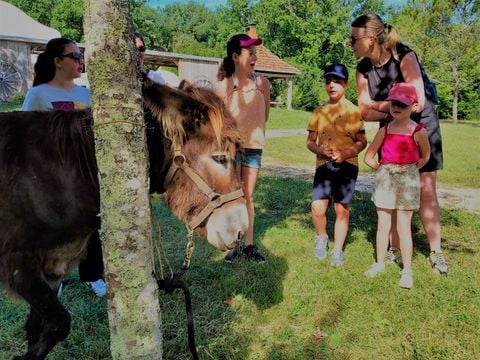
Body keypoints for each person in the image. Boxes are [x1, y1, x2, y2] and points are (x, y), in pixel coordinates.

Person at [349, 13, 448, 275]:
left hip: (420, 129)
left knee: (426, 190)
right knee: (390, 191)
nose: (350, 44)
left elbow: (419, 101)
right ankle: (392, 250)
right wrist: (397, 108)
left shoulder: (403, 54)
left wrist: (382, 106)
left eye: (353, 38)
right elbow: (364, 110)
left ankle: (436, 252)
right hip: (390, 131)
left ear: (371, 39)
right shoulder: (362, 70)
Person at [22, 38, 106, 297]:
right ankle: (54, 278)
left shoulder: (86, 95)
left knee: (90, 225)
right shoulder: (38, 95)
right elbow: (24, 133)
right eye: (75, 56)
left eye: (81, 56)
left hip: (84, 174)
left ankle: (93, 275)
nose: (81, 61)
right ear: (58, 61)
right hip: (52, 176)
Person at [364, 83, 430, 289]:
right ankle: (379, 263)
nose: (397, 106)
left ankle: (407, 271)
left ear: (414, 105)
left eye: (402, 103)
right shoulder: (385, 130)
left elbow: (425, 156)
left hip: (408, 179)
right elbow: (368, 156)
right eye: (393, 102)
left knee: (403, 226)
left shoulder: (419, 131)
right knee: (383, 224)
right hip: (386, 178)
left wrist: (409, 170)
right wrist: (382, 168)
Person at [216, 33, 270, 263]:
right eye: (250, 53)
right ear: (235, 56)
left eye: (256, 53)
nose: (254, 57)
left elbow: (264, 115)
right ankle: (233, 245)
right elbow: (218, 120)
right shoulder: (225, 85)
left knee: (247, 197)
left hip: (253, 149)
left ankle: (248, 246)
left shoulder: (262, 84)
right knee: (232, 197)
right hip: (231, 149)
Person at [306, 63, 367, 266]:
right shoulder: (319, 111)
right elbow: (310, 142)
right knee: (317, 207)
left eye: (337, 81)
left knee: (342, 209)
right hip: (323, 165)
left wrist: (346, 153)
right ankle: (322, 237)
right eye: (328, 81)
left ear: (346, 85)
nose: (332, 85)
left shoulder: (354, 111)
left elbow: (362, 141)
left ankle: (338, 250)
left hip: (347, 165)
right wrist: (321, 151)